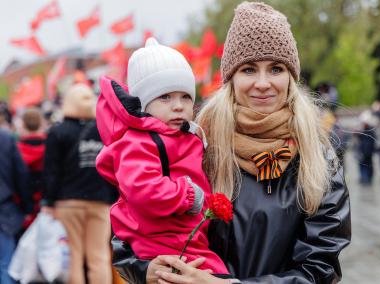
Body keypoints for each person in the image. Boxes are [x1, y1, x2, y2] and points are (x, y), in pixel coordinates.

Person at [112, 2, 351, 284]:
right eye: (249, 69)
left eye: (276, 68)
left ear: (291, 77)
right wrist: (145, 270)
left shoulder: (317, 158)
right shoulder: (196, 143)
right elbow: (128, 228)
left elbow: (321, 270)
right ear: (231, 78)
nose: (263, 83)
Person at [96, 37, 229, 279]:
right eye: (165, 97)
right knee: (216, 276)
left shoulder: (183, 135)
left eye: (185, 97)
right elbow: (141, 187)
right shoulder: (139, 140)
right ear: (144, 104)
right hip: (163, 243)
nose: (178, 106)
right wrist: (188, 195)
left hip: (184, 237)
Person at [42, 84, 117, 284]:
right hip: (100, 202)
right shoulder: (104, 132)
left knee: (73, 256)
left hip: (67, 203)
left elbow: (51, 171)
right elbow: (114, 168)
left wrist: (48, 201)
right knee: (99, 256)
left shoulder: (58, 132)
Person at [0, 128, 31, 284]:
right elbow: (21, 174)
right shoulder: (5, 138)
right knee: (6, 266)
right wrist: (27, 207)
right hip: (4, 210)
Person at [16, 107, 47, 229]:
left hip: (21, 209)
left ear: (22, 125)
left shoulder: (16, 150)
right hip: (47, 207)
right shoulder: (52, 148)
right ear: (42, 124)